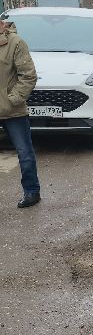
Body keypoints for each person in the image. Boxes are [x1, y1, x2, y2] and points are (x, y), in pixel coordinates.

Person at [0, 18, 41, 209]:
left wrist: (12, 99)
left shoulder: (15, 43)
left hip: (13, 110)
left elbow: (28, 75)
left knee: (24, 153)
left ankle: (32, 192)